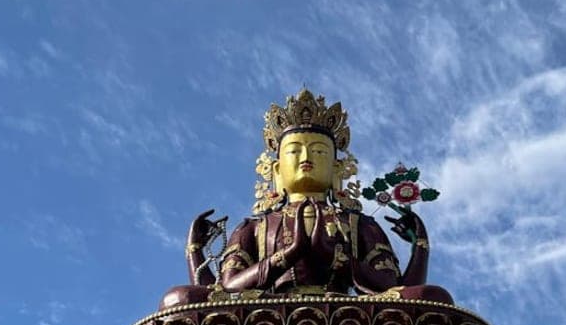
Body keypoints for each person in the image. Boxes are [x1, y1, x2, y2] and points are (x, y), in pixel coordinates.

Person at [160, 89, 453, 309]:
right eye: (294, 151)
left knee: (434, 298)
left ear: (338, 168)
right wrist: (195, 251)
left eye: (319, 151)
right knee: (178, 300)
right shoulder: (255, 227)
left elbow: (394, 289)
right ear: (276, 169)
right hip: (268, 317)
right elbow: (224, 292)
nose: (306, 158)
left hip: (345, 315)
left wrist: (419, 248)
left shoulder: (356, 224)